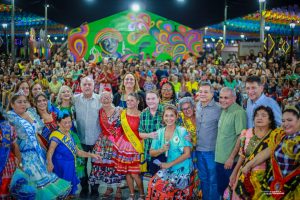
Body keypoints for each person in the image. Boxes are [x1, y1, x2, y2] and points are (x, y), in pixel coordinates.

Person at [6, 92, 71, 199]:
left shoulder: (28, 115)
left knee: (46, 184)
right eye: (19, 102)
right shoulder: (10, 117)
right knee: (34, 188)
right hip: (24, 157)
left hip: (37, 154)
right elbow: (12, 142)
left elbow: (35, 135)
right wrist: (18, 159)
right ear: (12, 104)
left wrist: (45, 150)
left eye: (24, 102)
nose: (23, 104)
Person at [242, 105, 300, 199]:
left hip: (290, 191)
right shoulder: (282, 135)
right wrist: (248, 165)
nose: (285, 124)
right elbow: (269, 150)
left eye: (290, 120)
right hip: (272, 186)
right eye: (283, 121)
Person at [47, 112, 101, 198]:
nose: (68, 125)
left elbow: (78, 152)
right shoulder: (55, 136)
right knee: (62, 191)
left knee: (69, 192)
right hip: (60, 168)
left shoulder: (69, 134)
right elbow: (50, 151)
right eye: (65, 122)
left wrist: (92, 155)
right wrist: (49, 162)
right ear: (58, 123)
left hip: (70, 167)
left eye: (70, 122)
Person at [226, 106, 277, 199]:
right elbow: (242, 156)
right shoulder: (246, 133)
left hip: (265, 178)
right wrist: (234, 172)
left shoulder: (275, 136)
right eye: (256, 115)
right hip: (244, 175)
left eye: (264, 115)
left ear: (270, 120)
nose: (259, 117)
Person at [147, 105, 193, 199]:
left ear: (176, 117)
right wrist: (162, 150)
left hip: (182, 169)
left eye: (171, 115)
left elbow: (187, 154)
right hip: (167, 168)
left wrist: (169, 164)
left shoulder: (182, 131)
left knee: (168, 191)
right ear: (163, 117)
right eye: (166, 116)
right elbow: (151, 152)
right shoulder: (159, 132)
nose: (169, 118)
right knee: (152, 184)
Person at [88, 89, 124, 199]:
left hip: (117, 141)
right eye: (103, 97)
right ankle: (109, 187)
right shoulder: (99, 111)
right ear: (100, 100)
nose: (106, 99)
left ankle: (118, 188)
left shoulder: (120, 110)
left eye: (108, 97)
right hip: (103, 142)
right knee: (105, 166)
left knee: (117, 165)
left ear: (112, 99)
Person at [215, 87, 247, 197]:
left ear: (234, 98)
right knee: (221, 190)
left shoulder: (239, 112)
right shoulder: (224, 110)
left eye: (226, 98)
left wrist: (231, 157)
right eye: (221, 97)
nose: (223, 100)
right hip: (219, 159)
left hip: (229, 162)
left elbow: (241, 137)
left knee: (229, 192)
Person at [113, 92, 145, 200]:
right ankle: (131, 194)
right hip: (124, 146)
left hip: (136, 146)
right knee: (127, 172)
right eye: (128, 100)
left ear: (138, 101)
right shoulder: (122, 113)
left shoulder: (142, 115)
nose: (129, 102)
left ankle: (141, 195)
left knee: (135, 174)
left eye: (132, 100)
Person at [74, 76, 101, 198]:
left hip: (97, 139)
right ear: (80, 86)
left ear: (94, 86)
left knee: (96, 166)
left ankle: (95, 190)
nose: (87, 86)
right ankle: (84, 188)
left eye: (89, 84)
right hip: (81, 140)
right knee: (82, 166)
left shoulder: (100, 99)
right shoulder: (75, 99)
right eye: (84, 84)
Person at [195, 82, 221, 200]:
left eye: (206, 92)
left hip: (212, 151)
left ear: (212, 94)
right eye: (201, 91)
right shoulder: (197, 106)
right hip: (198, 150)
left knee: (213, 180)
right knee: (203, 179)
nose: (203, 94)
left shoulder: (219, 109)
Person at [55, 85, 85, 179]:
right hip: (62, 137)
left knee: (77, 159)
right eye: (63, 92)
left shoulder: (75, 107)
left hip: (75, 136)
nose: (66, 93)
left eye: (68, 91)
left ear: (71, 94)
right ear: (60, 95)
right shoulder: (56, 109)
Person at [139, 90, 164, 176]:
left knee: (165, 179)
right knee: (153, 177)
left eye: (153, 98)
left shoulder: (165, 111)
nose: (150, 101)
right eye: (148, 99)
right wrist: (149, 135)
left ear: (158, 99)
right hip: (149, 151)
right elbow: (140, 133)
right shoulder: (143, 114)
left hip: (164, 151)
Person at [0, 111, 21, 199]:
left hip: (8, 163)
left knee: (9, 190)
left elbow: (15, 146)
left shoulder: (8, 127)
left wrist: (19, 164)